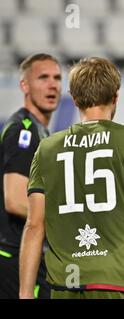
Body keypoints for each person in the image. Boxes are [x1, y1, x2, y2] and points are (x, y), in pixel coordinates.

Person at [19, 57, 124, 299]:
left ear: (74, 99)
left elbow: (34, 225)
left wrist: (25, 293)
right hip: (115, 282)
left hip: (64, 286)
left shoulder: (46, 148)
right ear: (116, 96)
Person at [0, 53, 62, 299]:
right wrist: (62, 220)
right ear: (24, 85)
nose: (52, 85)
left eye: (57, 78)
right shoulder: (23, 132)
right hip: (13, 254)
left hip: (27, 253)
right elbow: (15, 200)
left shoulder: (38, 130)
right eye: (43, 78)